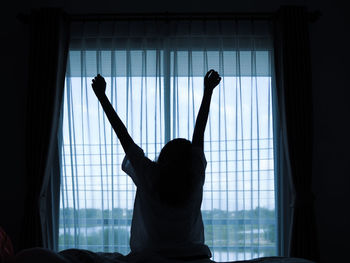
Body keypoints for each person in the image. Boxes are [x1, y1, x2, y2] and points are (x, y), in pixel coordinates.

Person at [91, 69, 221, 260]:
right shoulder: (194, 177)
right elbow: (199, 133)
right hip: (194, 257)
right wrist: (208, 91)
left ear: (163, 157)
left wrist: (102, 96)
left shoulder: (150, 176)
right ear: (190, 160)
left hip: (150, 258)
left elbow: (123, 135)